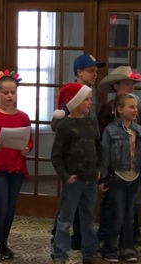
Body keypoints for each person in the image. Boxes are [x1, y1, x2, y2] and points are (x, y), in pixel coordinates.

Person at [51, 53, 105, 250]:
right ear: (79, 72)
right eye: (91, 71)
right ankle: (58, 241)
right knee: (67, 207)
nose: (94, 74)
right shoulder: (70, 95)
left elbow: (94, 129)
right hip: (72, 163)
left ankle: (82, 243)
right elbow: (57, 126)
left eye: (96, 71)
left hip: (89, 161)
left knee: (86, 212)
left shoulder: (92, 94)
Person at [0, 69, 33, 261]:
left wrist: (27, 149)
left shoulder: (23, 116)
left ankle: (4, 242)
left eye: (13, 92)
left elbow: (29, 141)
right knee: (1, 207)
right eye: (5, 92)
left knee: (10, 207)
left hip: (16, 166)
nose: (10, 96)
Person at [96, 66, 141, 248]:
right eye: (127, 84)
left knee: (128, 209)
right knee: (112, 208)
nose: (131, 88)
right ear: (116, 85)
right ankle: (106, 240)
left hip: (132, 168)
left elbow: (138, 141)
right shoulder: (108, 110)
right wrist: (103, 173)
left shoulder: (134, 113)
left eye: (132, 84)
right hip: (115, 168)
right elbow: (103, 142)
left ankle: (129, 241)